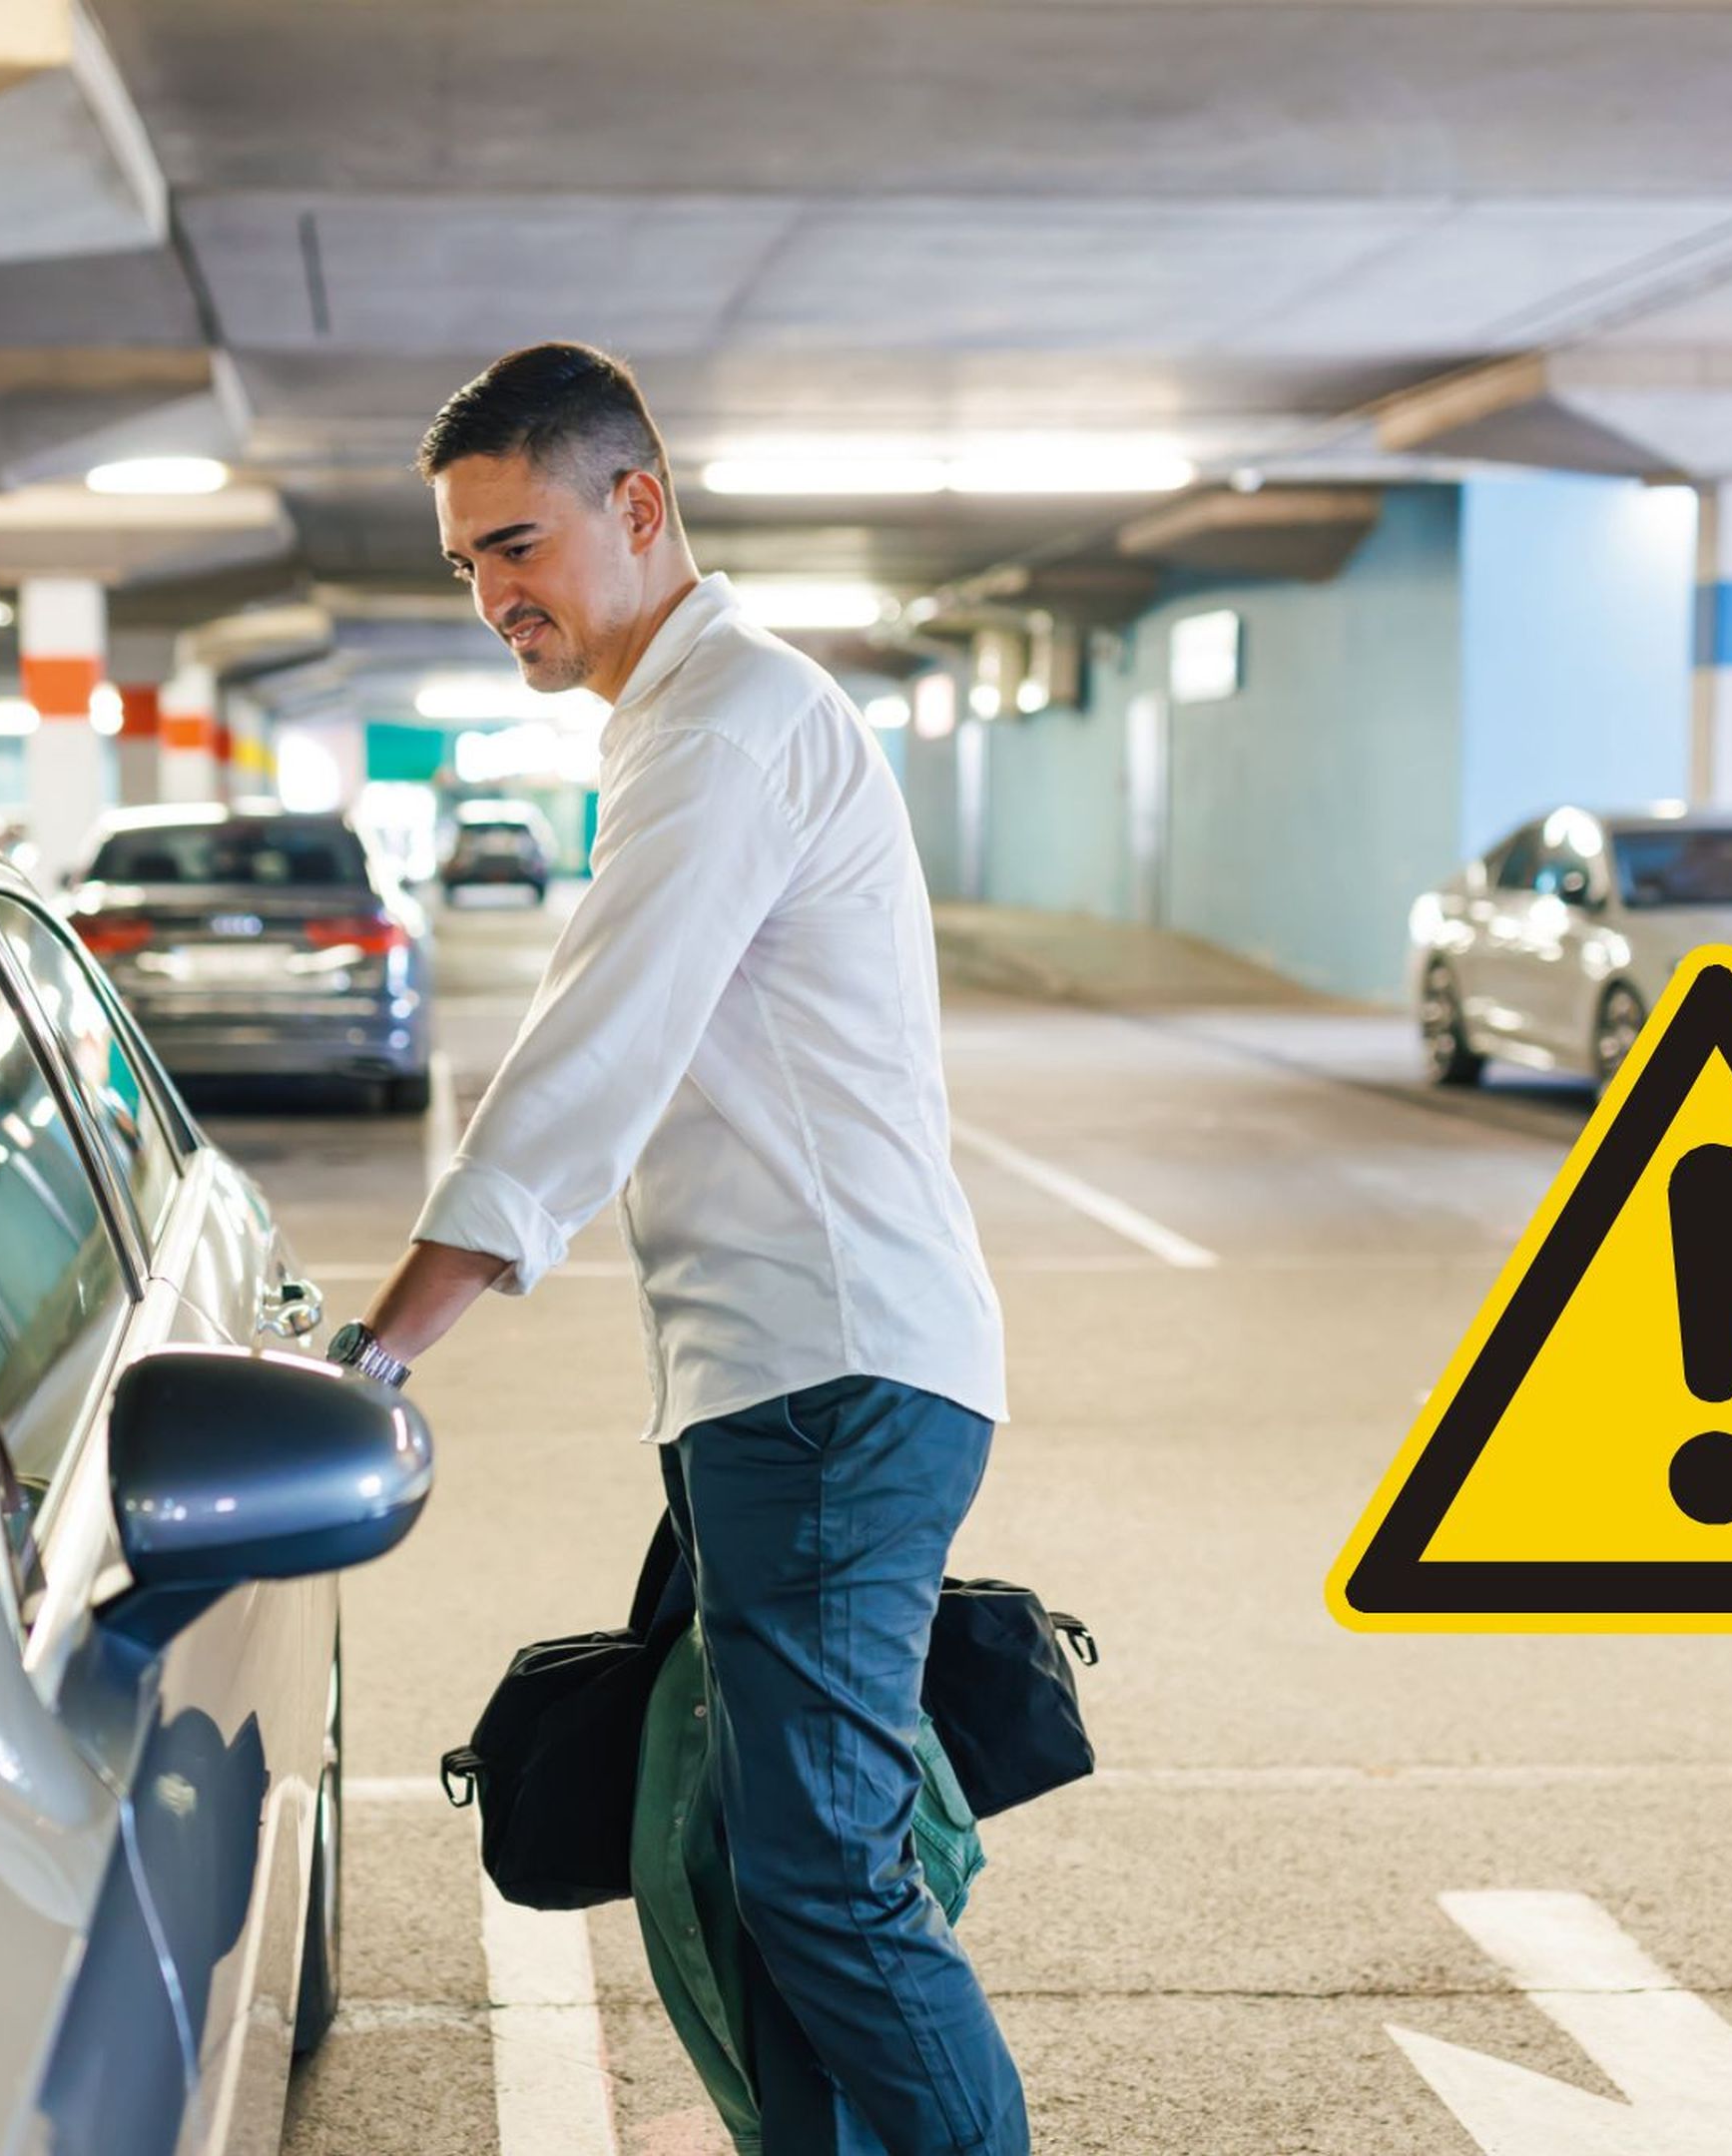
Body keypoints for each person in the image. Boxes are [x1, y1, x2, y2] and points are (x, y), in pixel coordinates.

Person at [325, 342, 1025, 2156]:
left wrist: (385, 1344)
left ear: (638, 507)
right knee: (755, 1865)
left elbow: (591, 1051)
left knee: (821, 1882)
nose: (494, 596)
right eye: (467, 562)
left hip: (831, 1376)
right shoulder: (696, 719)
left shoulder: (721, 725)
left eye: (519, 543)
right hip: (789, 1376)